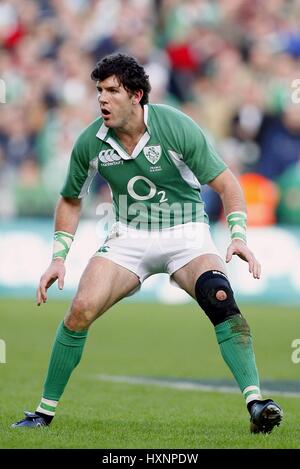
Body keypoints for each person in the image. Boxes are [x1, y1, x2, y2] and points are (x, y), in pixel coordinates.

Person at [12, 53, 282, 433]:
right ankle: (42, 412)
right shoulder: (92, 141)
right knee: (80, 309)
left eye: (112, 91)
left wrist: (238, 236)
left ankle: (256, 404)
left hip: (185, 231)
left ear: (137, 95)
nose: (102, 99)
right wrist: (59, 258)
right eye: (99, 91)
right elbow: (72, 198)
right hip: (128, 236)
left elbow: (226, 184)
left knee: (220, 297)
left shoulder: (175, 126)